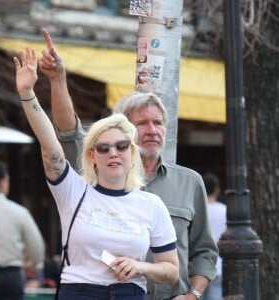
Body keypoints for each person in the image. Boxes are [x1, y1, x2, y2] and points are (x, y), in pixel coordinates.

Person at [39, 28, 218, 300]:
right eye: (142, 123)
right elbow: (68, 131)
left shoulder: (190, 181)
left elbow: (205, 251)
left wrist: (194, 293)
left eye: (157, 123)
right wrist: (58, 79)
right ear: (124, 132)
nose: (152, 130)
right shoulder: (99, 165)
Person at [13, 46, 179, 300]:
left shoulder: (151, 205)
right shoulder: (73, 190)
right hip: (78, 291)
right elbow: (50, 144)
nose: (113, 153)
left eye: (122, 146)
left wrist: (140, 267)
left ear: (132, 153)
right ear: (92, 156)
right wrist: (27, 93)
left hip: (129, 293)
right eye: (103, 147)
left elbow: (171, 270)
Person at [0, 161, 45, 300]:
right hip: (10, 277)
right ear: (2, 182)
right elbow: (36, 245)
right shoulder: (19, 211)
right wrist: (34, 266)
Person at [202, 173, 227, 300]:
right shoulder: (225, 210)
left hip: (198, 266)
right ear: (217, 190)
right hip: (218, 264)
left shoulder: (197, 210)